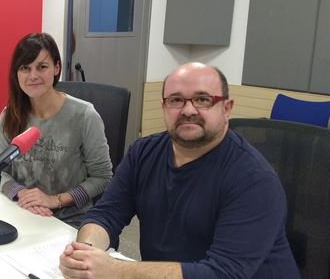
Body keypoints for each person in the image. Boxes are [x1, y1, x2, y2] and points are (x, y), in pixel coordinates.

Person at [59, 62, 299, 278]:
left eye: (203, 99)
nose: (188, 110)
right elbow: (106, 214)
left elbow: (223, 272)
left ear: (227, 108)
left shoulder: (254, 180)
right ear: (164, 106)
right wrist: (86, 254)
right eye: (176, 100)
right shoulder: (143, 153)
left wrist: (116, 271)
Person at [0, 32, 112, 226]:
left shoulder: (84, 115)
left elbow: (103, 178)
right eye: (25, 68)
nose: (33, 76)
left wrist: (54, 200)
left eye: (42, 67)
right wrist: (23, 194)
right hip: (23, 212)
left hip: (69, 219)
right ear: (16, 73)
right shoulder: (10, 115)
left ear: (56, 68)